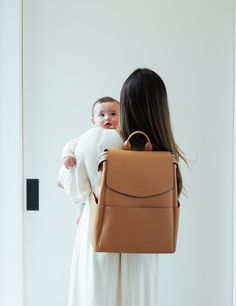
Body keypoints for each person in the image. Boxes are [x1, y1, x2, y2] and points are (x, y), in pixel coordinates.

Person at [60, 68, 186, 306]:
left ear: (125, 102)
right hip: (142, 244)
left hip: (98, 234)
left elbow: (74, 188)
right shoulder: (163, 151)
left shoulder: (98, 139)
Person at [57, 96, 120, 223]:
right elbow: (71, 145)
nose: (107, 118)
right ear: (93, 120)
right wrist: (67, 156)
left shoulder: (121, 135)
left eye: (113, 114)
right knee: (84, 194)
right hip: (90, 178)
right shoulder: (87, 137)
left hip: (107, 179)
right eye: (101, 115)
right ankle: (81, 209)